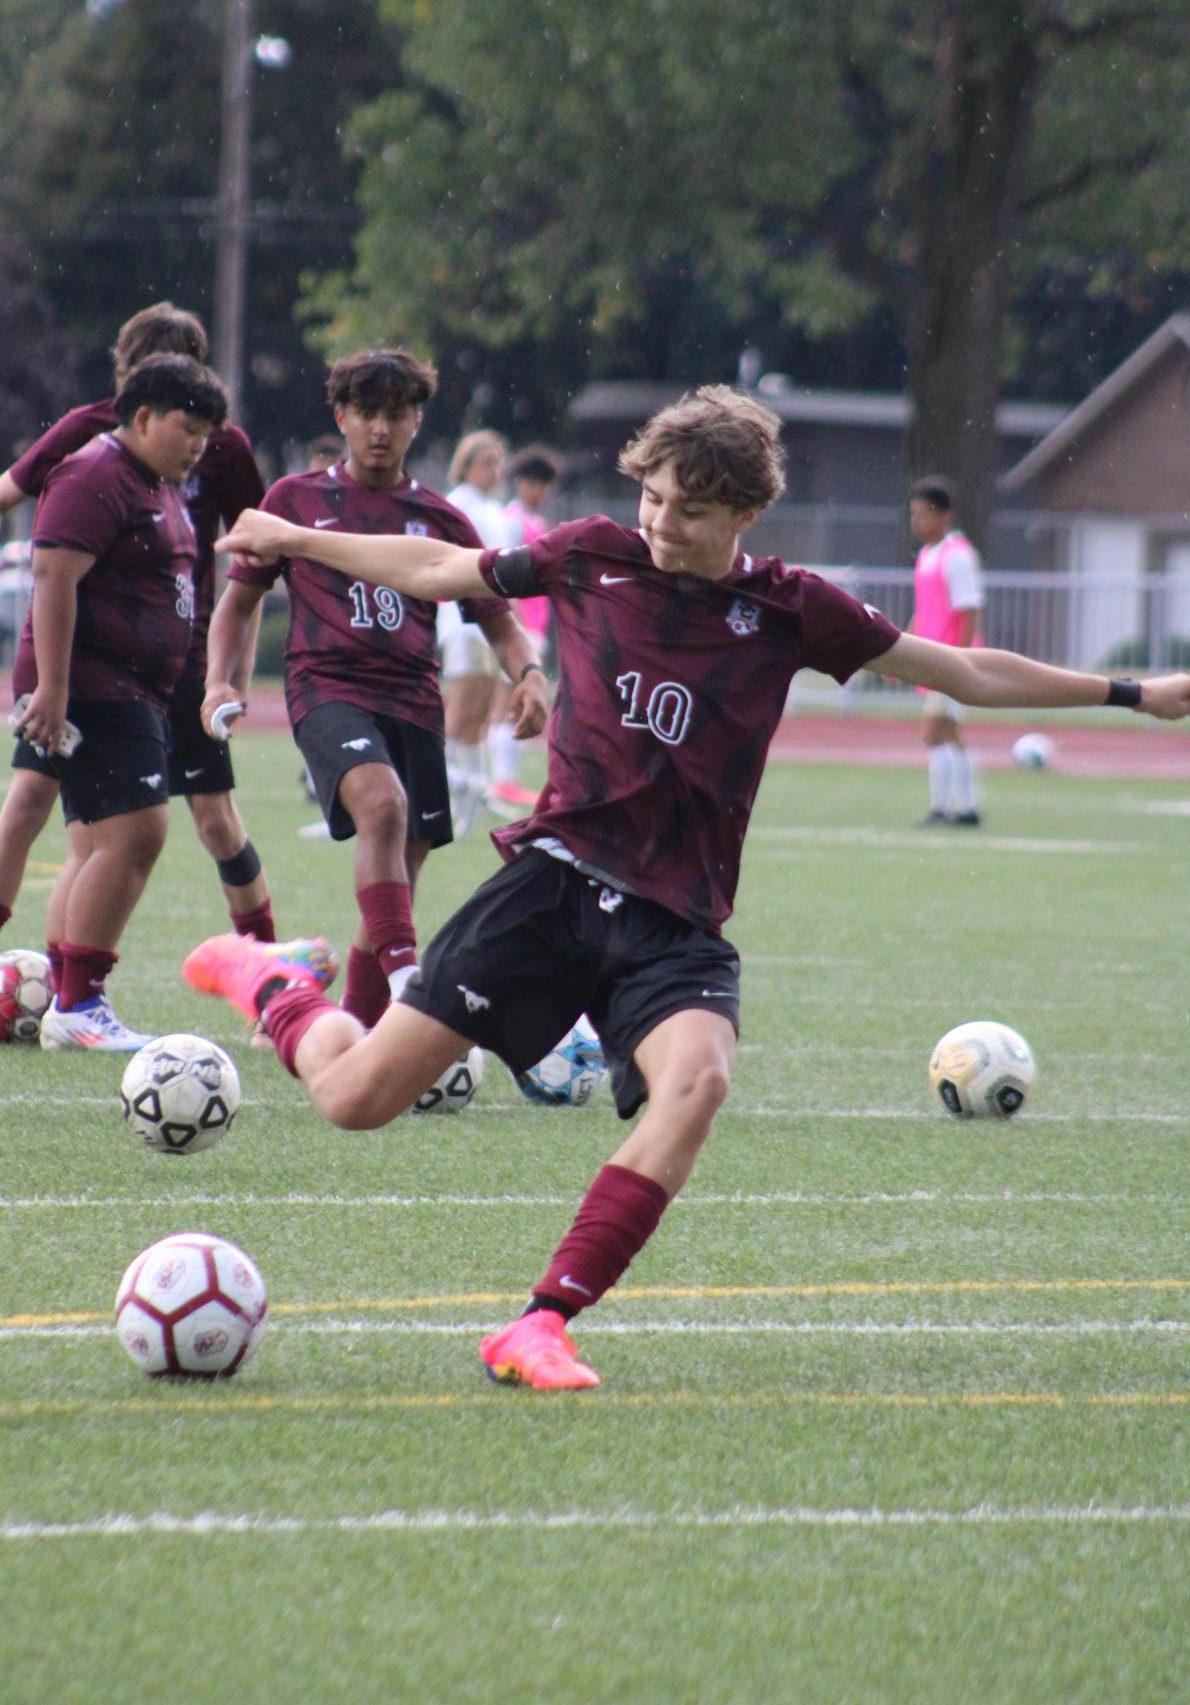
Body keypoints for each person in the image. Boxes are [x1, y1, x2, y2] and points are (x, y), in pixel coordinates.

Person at [184, 381, 1190, 1390]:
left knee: (699, 1080)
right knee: (356, 1099)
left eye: (690, 511)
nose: (661, 523)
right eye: (653, 499)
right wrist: (300, 539)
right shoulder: (591, 553)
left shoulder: (792, 610)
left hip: (673, 923)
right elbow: (440, 568)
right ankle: (273, 983)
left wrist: (1129, 693)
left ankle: (540, 1323)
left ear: (744, 516)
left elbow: (958, 671)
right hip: (552, 889)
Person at [0, 303, 292, 1043]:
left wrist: (228, 673)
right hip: (98, 667)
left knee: (200, 817)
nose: (194, 442)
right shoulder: (96, 448)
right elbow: (45, 558)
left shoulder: (211, 448)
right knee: (79, 819)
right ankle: (21, 988)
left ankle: (264, 982)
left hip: (173, 668)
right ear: (135, 400)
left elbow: (256, 554)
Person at [202, 348, 548, 1036]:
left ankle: (355, 1042)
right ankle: (409, 985)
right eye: (366, 413)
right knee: (382, 806)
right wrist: (218, 679)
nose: (380, 428)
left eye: (395, 414)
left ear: (417, 420)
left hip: (415, 700)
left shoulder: (441, 519)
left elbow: (497, 617)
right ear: (342, 416)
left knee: (395, 879)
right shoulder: (294, 502)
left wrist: (530, 674)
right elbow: (238, 602)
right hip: (326, 689)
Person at [0, 353, 223, 1049]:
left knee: (93, 844)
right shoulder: (97, 473)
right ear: (142, 416)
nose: (197, 443)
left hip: (132, 686)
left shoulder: (158, 479)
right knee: (138, 833)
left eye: (207, 431)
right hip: (97, 683)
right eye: (187, 426)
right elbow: (54, 575)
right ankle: (80, 1005)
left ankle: (68, 991)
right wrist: (54, 690)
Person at [438, 429, 517, 834]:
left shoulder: (495, 509)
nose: (494, 469)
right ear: (465, 466)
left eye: (497, 462)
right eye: (485, 462)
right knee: (461, 708)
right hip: (465, 623)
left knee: (479, 715)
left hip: (494, 622)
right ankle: (445, 789)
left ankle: (470, 796)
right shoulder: (458, 506)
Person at [908, 476, 984, 826]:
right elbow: (924, 609)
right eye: (914, 515)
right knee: (947, 732)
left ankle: (948, 809)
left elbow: (968, 609)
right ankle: (963, 809)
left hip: (950, 659)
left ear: (943, 516)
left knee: (935, 731)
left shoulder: (958, 556)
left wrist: (961, 659)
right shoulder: (927, 554)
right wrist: (903, 649)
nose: (916, 523)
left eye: (923, 515)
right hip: (931, 659)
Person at [490, 445, 562, 810]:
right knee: (509, 700)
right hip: (520, 623)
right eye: (534, 482)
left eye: (544, 484)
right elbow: (506, 573)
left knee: (520, 700)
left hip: (537, 620)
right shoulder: (512, 519)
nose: (540, 490)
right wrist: (513, 619)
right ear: (520, 482)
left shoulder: (538, 521)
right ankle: (500, 781)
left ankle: (506, 780)